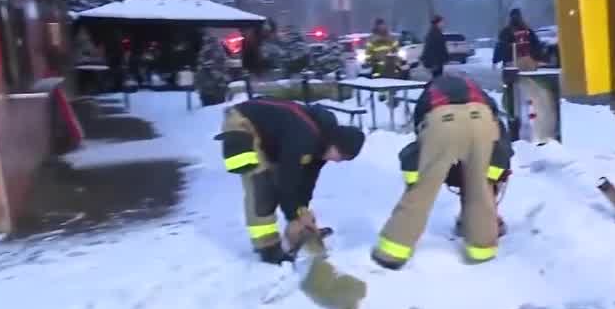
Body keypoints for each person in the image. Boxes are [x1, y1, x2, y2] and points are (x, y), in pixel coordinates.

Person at [371, 74, 512, 270]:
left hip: (441, 121)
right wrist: (493, 173)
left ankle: (392, 251)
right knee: (480, 187)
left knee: (423, 190)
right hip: (483, 119)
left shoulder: (429, 94)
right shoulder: (479, 92)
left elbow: (420, 137)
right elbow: (500, 135)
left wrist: (419, 174)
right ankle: (482, 249)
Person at [216, 97, 366, 264]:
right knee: (262, 185)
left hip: (269, 136)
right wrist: (294, 215)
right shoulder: (304, 136)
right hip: (242, 123)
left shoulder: (321, 147)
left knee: (288, 190)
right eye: (341, 156)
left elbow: (306, 181)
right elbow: (287, 179)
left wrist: (302, 212)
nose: (338, 161)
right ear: (335, 144)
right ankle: (267, 247)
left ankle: (301, 231)